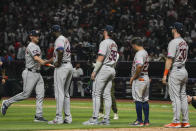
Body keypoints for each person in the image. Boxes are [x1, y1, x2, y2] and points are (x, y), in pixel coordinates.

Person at [1, 30, 51, 122]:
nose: (37, 37)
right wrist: (48, 61)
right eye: (35, 36)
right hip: (30, 73)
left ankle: (38, 116)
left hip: (37, 73)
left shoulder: (36, 46)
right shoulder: (31, 46)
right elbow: (37, 58)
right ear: (31, 37)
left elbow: (39, 60)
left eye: (38, 36)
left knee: (40, 94)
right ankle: (6, 103)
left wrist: (48, 63)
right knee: (25, 94)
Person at [83, 25, 118, 125]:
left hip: (104, 69)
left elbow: (101, 58)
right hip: (112, 69)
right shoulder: (114, 44)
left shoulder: (104, 42)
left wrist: (94, 71)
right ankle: (106, 119)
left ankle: (94, 118)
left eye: (104, 31)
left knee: (96, 93)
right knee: (107, 95)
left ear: (105, 32)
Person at [162, 22, 190, 128]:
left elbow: (169, 59)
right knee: (183, 96)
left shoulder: (174, 42)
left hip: (176, 71)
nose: (171, 30)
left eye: (173, 28)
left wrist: (165, 75)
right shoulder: (184, 42)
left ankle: (176, 121)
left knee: (175, 97)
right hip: (183, 70)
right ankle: (185, 121)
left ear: (175, 30)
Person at [48, 25, 73, 124]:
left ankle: (58, 118)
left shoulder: (59, 39)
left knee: (59, 93)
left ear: (54, 32)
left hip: (62, 67)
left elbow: (60, 50)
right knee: (65, 93)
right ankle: (68, 117)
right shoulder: (65, 39)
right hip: (69, 66)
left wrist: (58, 62)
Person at [129, 37, 150, 126]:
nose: (132, 47)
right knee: (145, 100)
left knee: (138, 100)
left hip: (139, 79)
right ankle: (146, 121)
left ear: (134, 45)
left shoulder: (139, 53)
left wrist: (134, 77)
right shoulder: (145, 52)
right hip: (146, 77)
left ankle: (139, 121)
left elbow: (139, 66)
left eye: (132, 45)